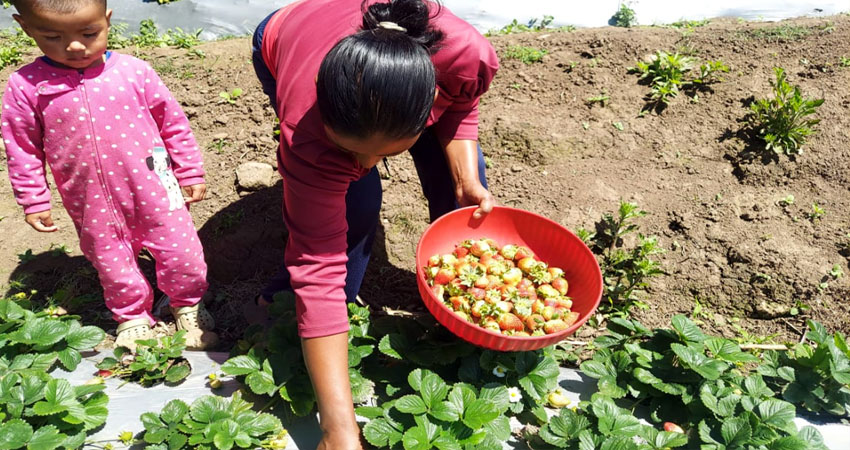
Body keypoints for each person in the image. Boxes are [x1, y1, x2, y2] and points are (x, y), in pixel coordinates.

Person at [251, 0, 498, 447]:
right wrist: (337, 427)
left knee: (463, 181)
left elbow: (462, 103)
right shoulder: (306, 125)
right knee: (355, 204)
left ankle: (456, 309)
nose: (364, 164)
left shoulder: (466, 55)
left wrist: (463, 179)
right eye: (351, 150)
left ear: (429, 103)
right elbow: (318, 263)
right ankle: (311, 317)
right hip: (289, 33)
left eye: (386, 154)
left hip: (405, 78)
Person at [2, 0, 218, 351]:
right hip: (88, 199)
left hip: (155, 186)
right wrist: (34, 198)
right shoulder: (27, 86)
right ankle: (132, 316)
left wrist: (189, 169)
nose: (74, 46)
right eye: (52, 36)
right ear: (25, 27)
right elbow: (22, 147)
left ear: (107, 20)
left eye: (89, 33)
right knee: (110, 259)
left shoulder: (134, 71)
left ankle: (187, 304)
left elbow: (173, 124)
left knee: (181, 251)